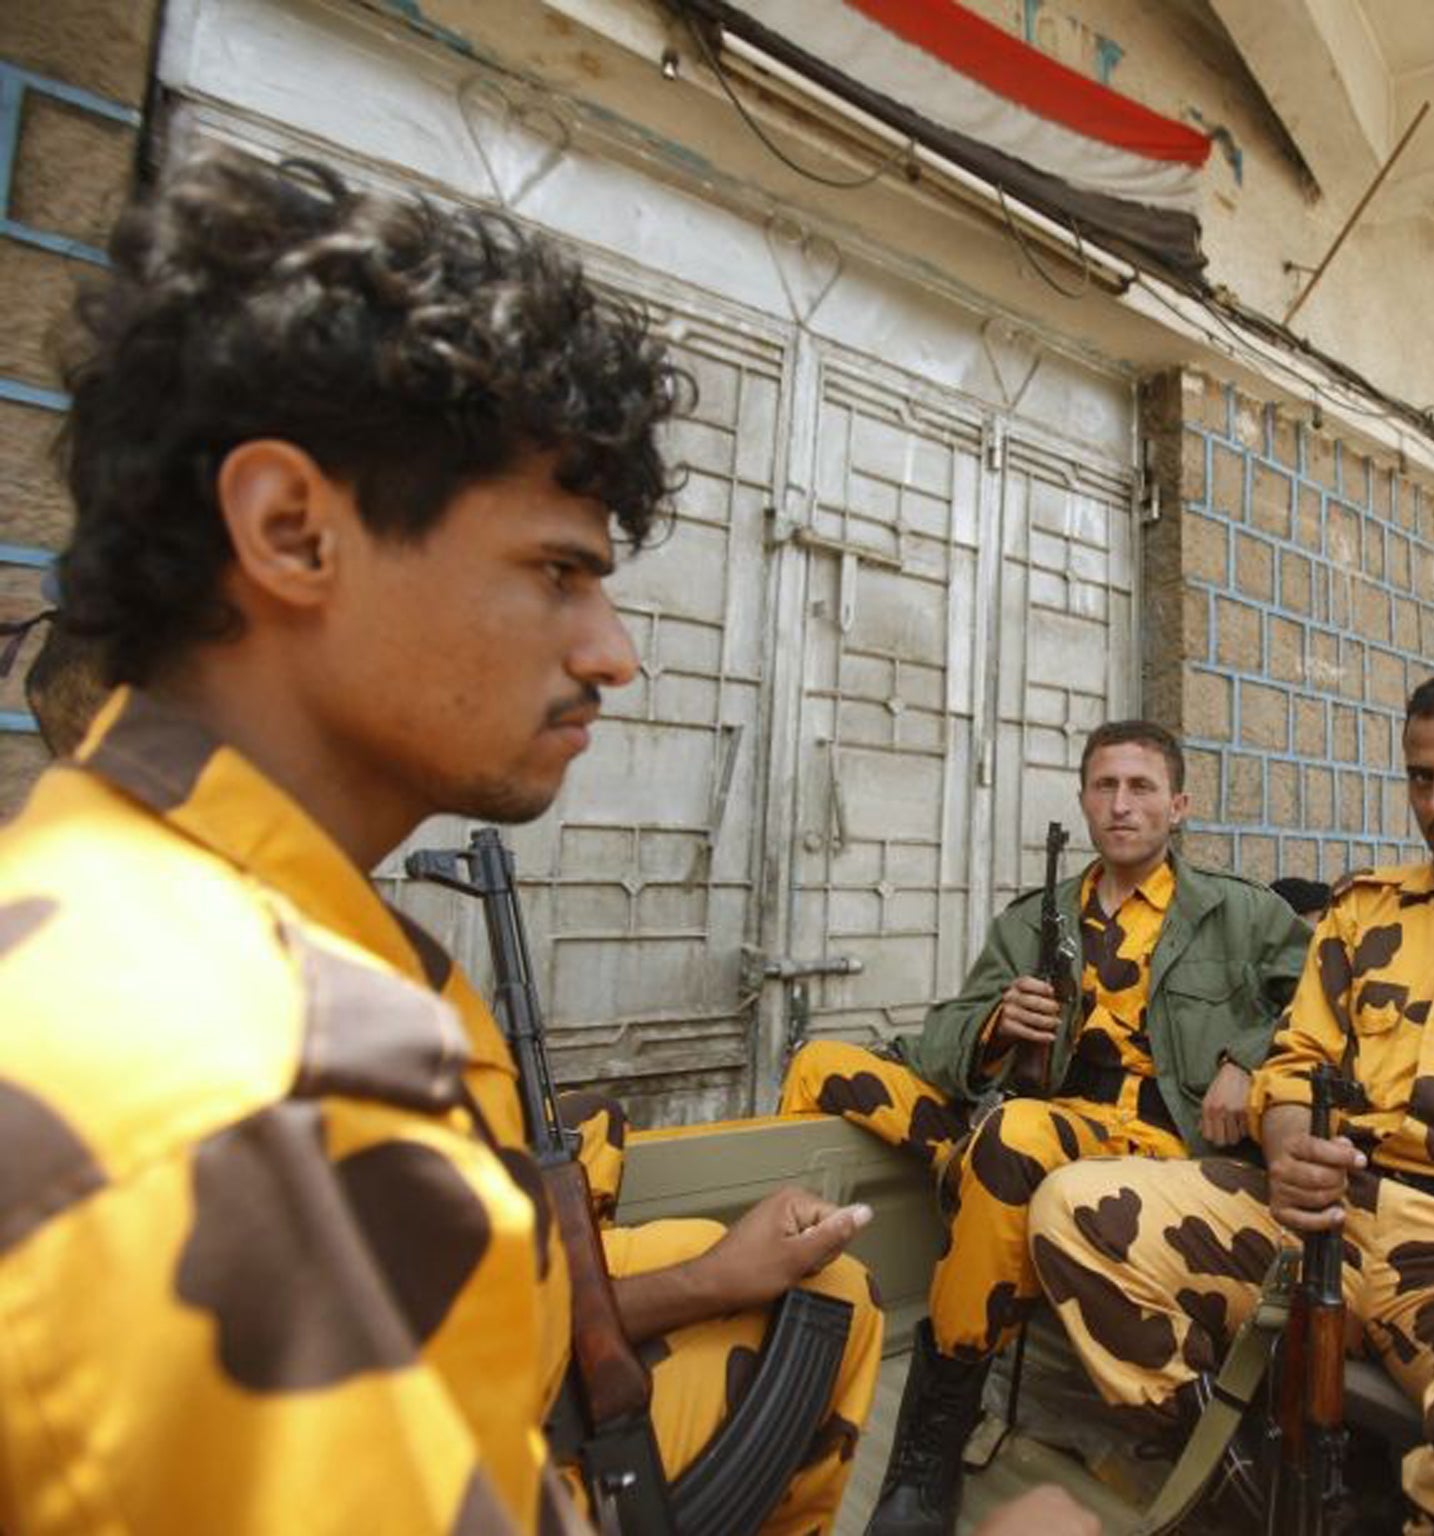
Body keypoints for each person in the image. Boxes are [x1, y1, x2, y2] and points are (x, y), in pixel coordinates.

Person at [0, 147, 897, 1535]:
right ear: (294, 531)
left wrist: (699, 1282)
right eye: (557, 570)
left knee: (809, 1312)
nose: (614, 656)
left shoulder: (168, 890)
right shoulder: (244, 1094)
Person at [1030, 666, 1434, 1536]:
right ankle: (1240, 1486)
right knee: (1072, 1208)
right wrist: (1290, 1143)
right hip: (1326, 1219)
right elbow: (1297, 1058)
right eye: (1421, 778)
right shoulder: (1363, 913)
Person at [780, 718, 1310, 1535]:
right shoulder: (1036, 920)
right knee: (822, 1065)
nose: (1122, 805)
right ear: (1084, 800)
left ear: (1179, 805)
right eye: (1105, 786)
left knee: (1015, 1137)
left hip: (1162, 1149)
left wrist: (1247, 1058)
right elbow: (944, 1033)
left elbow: (1324, 1004)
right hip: (1035, 1119)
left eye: (1141, 788)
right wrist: (997, 1023)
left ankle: (929, 1442)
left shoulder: (1242, 916)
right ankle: (796, 1335)